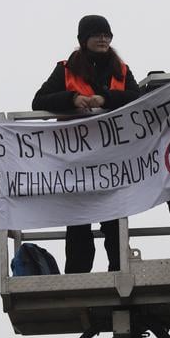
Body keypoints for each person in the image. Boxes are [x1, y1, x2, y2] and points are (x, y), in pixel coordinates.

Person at [32, 15, 142, 273]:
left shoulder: (122, 70)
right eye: (97, 35)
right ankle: (77, 277)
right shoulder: (66, 69)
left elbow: (137, 99)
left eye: (107, 35)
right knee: (78, 223)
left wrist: (105, 99)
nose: (103, 39)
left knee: (115, 222)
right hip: (77, 161)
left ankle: (119, 272)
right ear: (84, 40)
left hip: (111, 159)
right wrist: (72, 99)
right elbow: (39, 101)